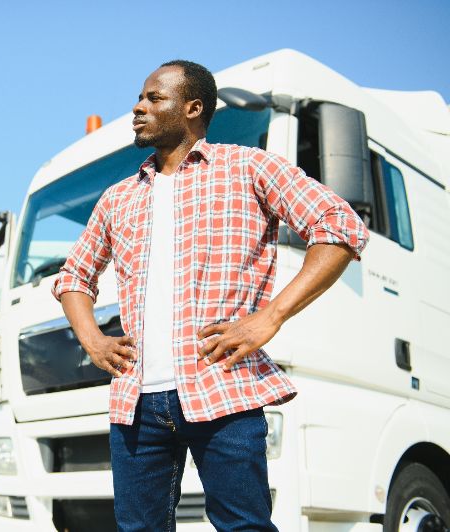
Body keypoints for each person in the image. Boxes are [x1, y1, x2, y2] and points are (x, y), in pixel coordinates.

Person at [51, 60, 369, 532]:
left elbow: (339, 227)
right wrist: (93, 340)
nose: (138, 108)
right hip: (135, 401)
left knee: (243, 527)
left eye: (154, 98)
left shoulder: (250, 167)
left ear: (193, 107)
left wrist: (271, 317)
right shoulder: (117, 198)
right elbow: (74, 276)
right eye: (139, 98)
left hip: (224, 390)